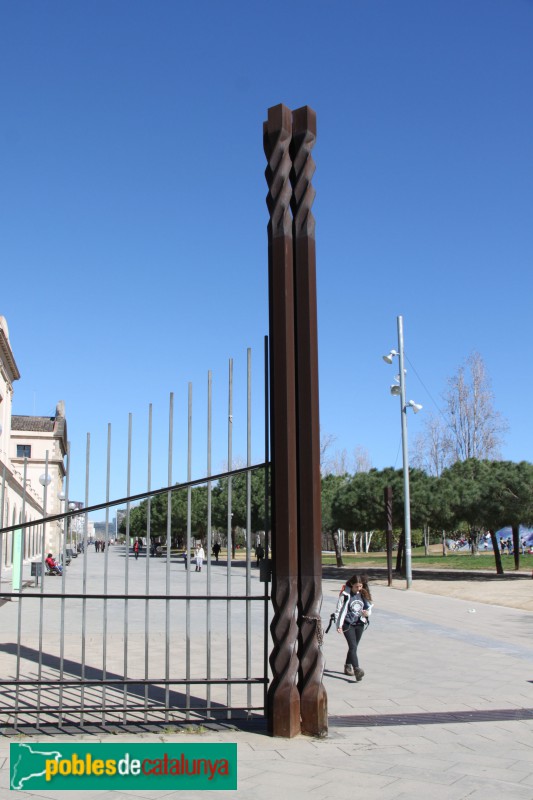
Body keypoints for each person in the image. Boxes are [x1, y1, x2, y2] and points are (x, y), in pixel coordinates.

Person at [334, 573, 373, 681]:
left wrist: (367, 613)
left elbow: (369, 608)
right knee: (353, 646)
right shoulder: (345, 594)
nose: (359, 588)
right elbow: (338, 610)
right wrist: (338, 625)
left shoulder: (363, 593)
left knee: (354, 647)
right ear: (351, 584)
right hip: (348, 624)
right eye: (356, 586)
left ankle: (347, 666)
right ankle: (357, 670)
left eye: (360, 586)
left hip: (359, 624)